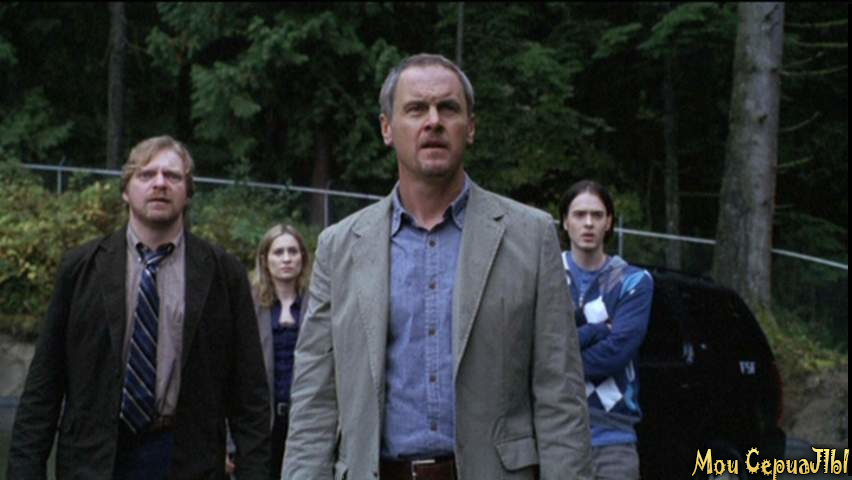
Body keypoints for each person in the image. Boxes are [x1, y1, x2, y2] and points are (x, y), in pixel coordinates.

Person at [282, 53, 593, 480]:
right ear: (387, 128)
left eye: (448, 108)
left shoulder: (531, 236)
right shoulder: (340, 247)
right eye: (416, 109)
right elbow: (314, 401)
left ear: (471, 127)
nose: (433, 122)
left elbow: (560, 394)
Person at [7, 135, 270, 479]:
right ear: (125, 191)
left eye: (172, 176)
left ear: (188, 192)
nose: (160, 183)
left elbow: (250, 394)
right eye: (146, 174)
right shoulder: (81, 268)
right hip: (95, 460)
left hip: (188, 460)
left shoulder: (224, 273)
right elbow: (44, 384)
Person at [558, 180, 653, 480]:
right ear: (565, 221)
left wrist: (556, 360)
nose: (588, 223)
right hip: (554, 435)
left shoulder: (633, 281)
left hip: (613, 439)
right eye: (579, 214)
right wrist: (597, 331)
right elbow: (531, 349)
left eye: (597, 215)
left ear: (609, 222)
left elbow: (615, 355)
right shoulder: (546, 275)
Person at [228, 224, 310, 478]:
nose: (286, 259)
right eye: (278, 252)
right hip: (259, 427)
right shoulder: (246, 304)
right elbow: (230, 373)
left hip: (306, 425)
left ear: (302, 258)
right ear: (265, 259)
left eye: (292, 251)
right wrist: (228, 441)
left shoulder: (317, 304)